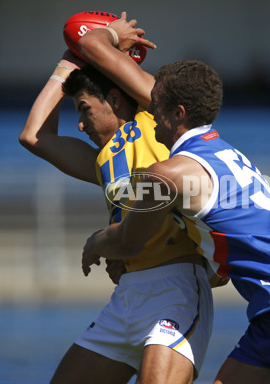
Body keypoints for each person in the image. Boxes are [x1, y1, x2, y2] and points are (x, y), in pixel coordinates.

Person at [81, 58, 270, 383]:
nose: (149, 113)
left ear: (179, 113)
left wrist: (96, 243)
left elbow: (127, 240)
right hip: (269, 321)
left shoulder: (170, 173)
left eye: (154, 105)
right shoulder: (223, 152)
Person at [19, 17, 218, 384]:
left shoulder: (153, 118)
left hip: (177, 289)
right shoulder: (102, 160)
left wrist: (100, 42)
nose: (80, 123)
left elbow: (102, 51)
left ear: (113, 98)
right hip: (126, 295)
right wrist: (68, 63)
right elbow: (33, 136)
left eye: (83, 109)